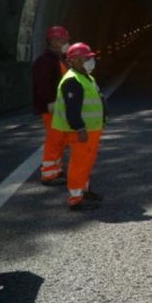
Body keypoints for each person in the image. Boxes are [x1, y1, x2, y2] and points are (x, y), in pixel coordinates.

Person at [52, 43, 106, 211]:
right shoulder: (72, 81)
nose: (91, 61)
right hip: (82, 131)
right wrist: (79, 128)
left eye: (90, 58)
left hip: (92, 129)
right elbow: (72, 109)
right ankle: (75, 200)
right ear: (74, 60)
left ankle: (84, 191)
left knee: (86, 162)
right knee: (78, 163)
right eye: (86, 58)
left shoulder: (86, 76)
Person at [33, 25, 71, 185]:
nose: (65, 42)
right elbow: (42, 84)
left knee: (60, 139)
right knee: (54, 139)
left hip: (60, 107)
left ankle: (56, 169)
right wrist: (50, 102)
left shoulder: (58, 58)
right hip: (52, 107)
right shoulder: (45, 61)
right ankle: (48, 174)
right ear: (52, 41)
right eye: (61, 40)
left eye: (66, 39)